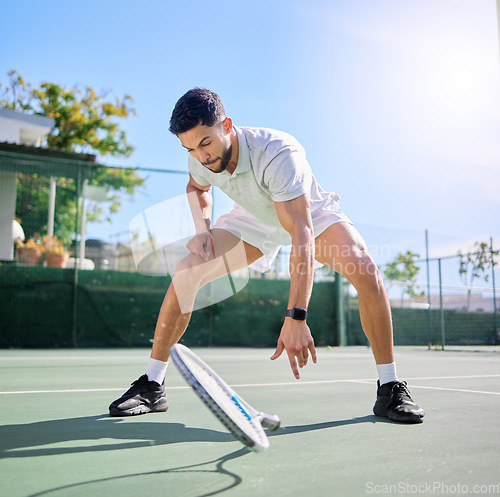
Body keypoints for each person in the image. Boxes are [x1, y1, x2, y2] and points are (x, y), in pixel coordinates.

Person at [109, 88, 424, 424]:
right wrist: (202, 228)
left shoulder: (277, 152)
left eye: (205, 143)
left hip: (308, 215)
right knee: (187, 272)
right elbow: (197, 188)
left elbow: (301, 235)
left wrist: (296, 317)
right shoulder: (199, 159)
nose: (201, 156)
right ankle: (152, 385)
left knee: (366, 272)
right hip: (254, 218)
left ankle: (390, 388)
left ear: (226, 125)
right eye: (189, 148)